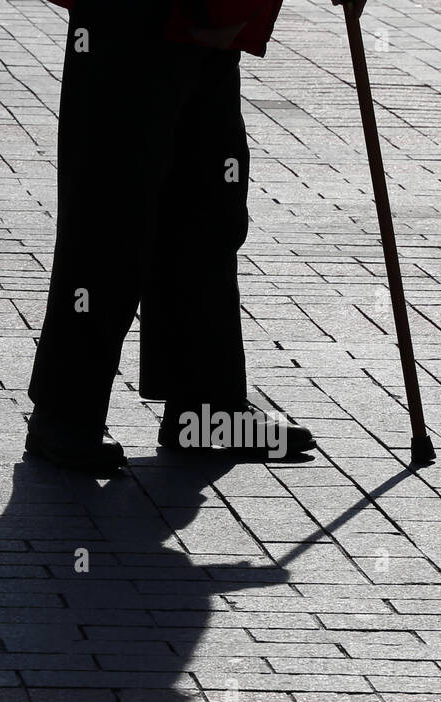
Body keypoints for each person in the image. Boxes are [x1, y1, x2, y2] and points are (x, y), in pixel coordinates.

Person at [26, 0, 329, 474]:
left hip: (217, 15)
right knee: (111, 212)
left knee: (209, 206)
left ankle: (205, 410)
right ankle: (66, 412)